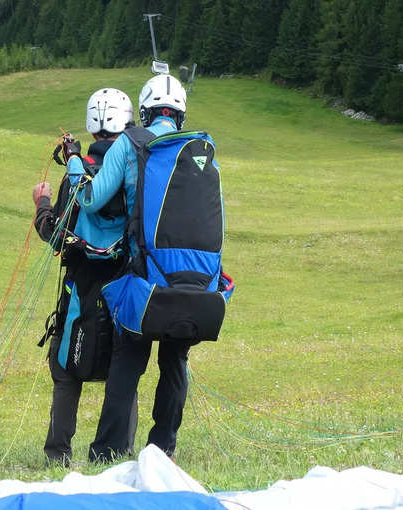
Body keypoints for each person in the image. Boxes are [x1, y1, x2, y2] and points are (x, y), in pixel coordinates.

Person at [64, 74, 231, 462]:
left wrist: (74, 160)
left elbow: (90, 198)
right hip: (196, 285)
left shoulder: (130, 143)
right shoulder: (202, 151)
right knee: (175, 361)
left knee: (128, 360)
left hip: (143, 282)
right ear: (180, 113)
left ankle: (107, 452)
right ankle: (163, 449)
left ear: (144, 110)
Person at [33, 88, 137, 465]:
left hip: (81, 286)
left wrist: (41, 204)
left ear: (92, 129)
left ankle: (58, 454)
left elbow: (55, 235)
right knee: (124, 364)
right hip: (124, 286)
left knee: (65, 368)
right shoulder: (132, 174)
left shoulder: (77, 175)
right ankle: (117, 451)